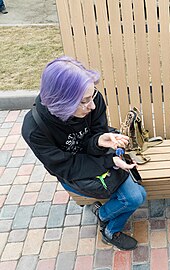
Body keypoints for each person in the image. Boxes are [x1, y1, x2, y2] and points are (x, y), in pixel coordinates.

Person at [22, 56, 146, 250]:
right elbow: (66, 167)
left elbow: (96, 134)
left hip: (98, 158)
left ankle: (102, 214)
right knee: (133, 197)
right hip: (74, 174)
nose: (93, 106)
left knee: (138, 195)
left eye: (92, 96)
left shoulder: (93, 99)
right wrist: (110, 162)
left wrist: (99, 140)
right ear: (62, 102)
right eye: (84, 102)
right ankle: (110, 231)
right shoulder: (35, 128)